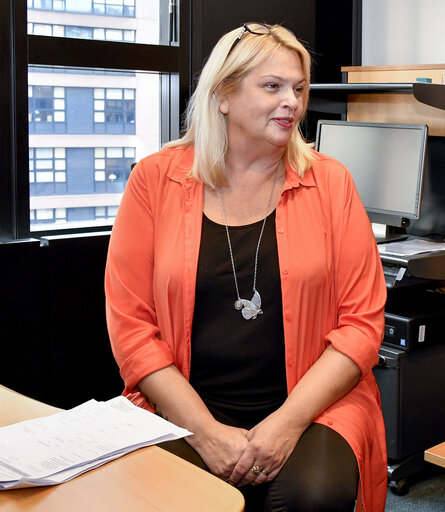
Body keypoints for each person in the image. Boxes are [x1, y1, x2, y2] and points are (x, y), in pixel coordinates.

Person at [105, 22, 388, 512]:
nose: (292, 103)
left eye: (298, 89)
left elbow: (362, 325)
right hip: (184, 405)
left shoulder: (332, 183)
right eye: (273, 87)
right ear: (224, 97)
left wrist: (286, 424)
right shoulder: (153, 181)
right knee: (164, 496)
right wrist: (207, 433)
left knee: (314, 496)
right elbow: (132, 329)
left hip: (311, 406)